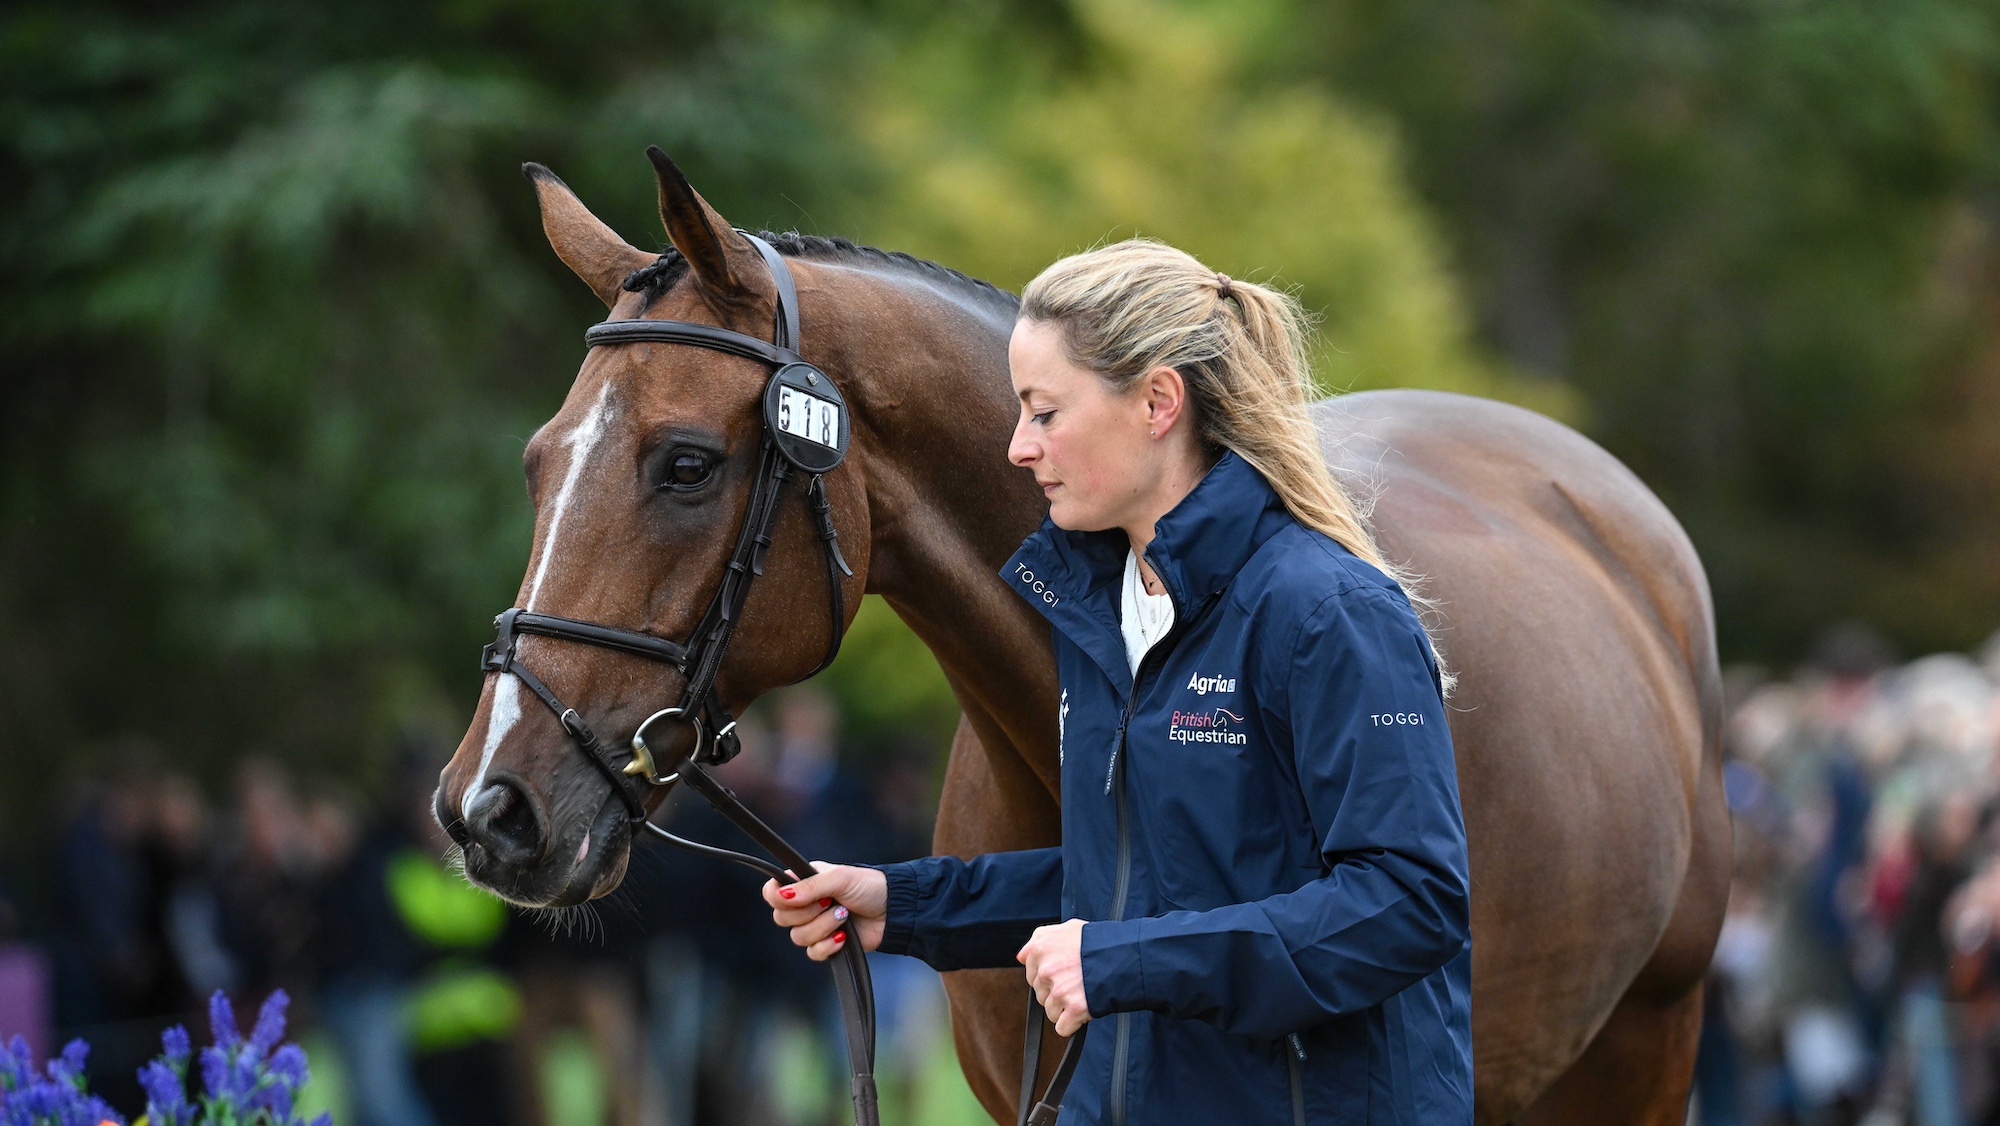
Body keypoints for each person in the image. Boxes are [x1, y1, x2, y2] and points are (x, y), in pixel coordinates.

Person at [762, 240, 1473, 1124]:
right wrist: (902, 904)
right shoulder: (1102, 612)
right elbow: (1130, 883)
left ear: (1158, 403)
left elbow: (1410, 903)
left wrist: (1122, 962)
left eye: (1045, 412)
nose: (1019, 448)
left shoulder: (1329, 611)